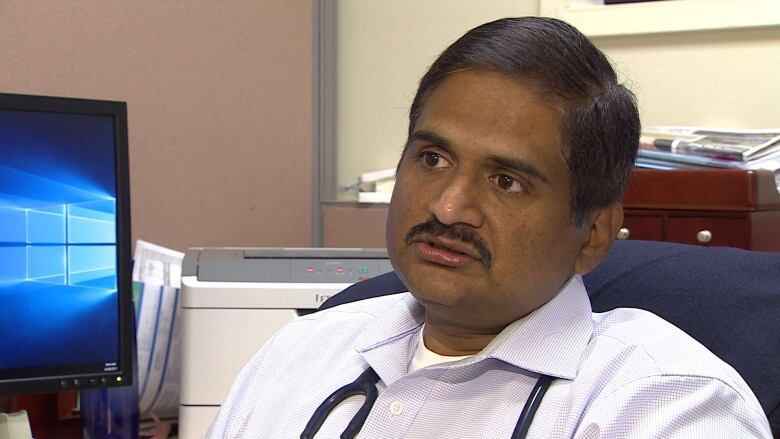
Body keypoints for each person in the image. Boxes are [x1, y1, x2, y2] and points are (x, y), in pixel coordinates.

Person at [208, 17, 771, 438]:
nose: (449, 208)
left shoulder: (662, 404)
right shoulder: (301, 353)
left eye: (506, 181)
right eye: (433, 159)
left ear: (594, 233)